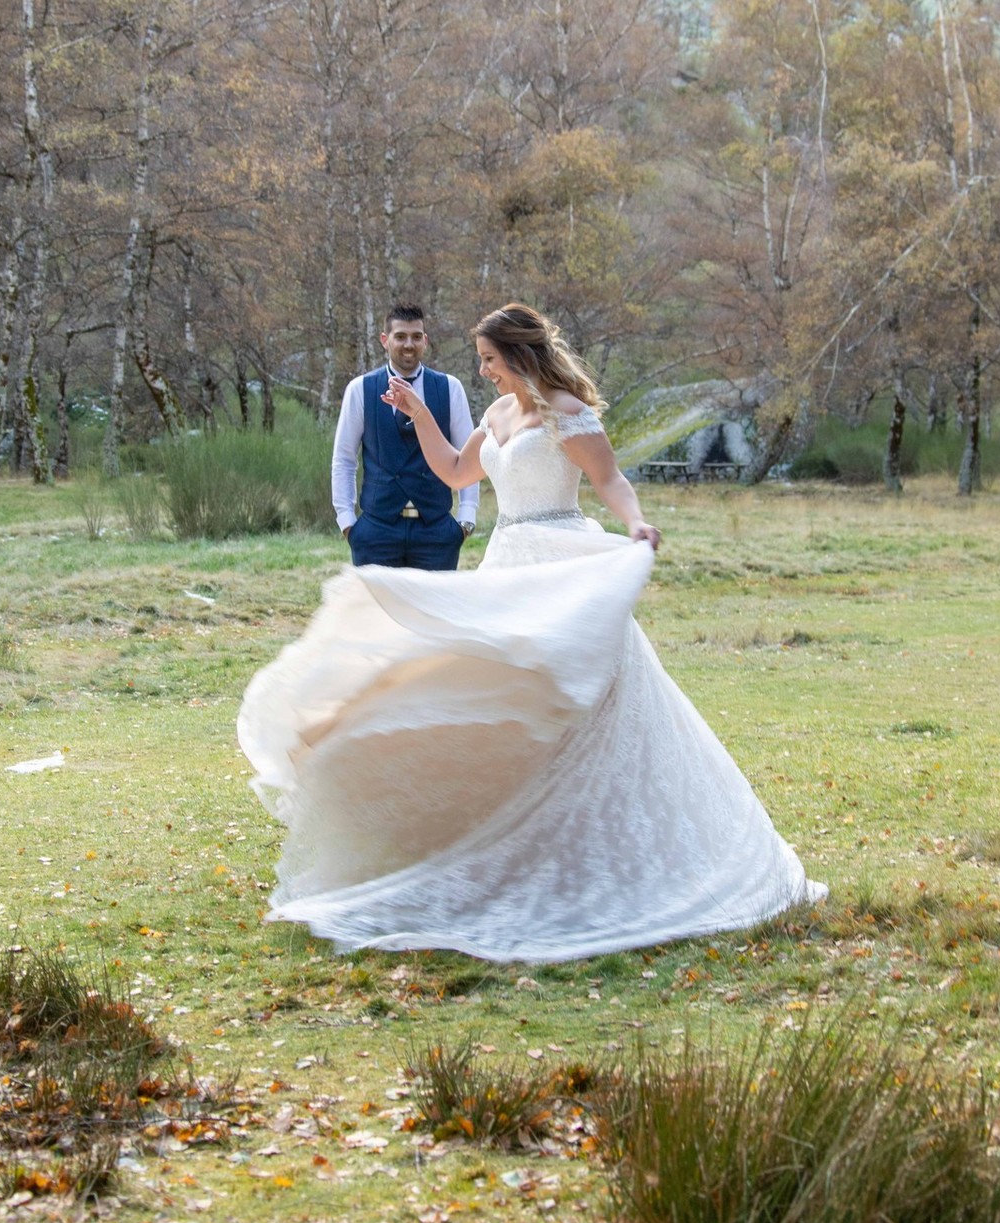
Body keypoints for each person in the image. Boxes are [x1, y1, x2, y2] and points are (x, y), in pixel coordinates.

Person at [239, 303, 825, 962]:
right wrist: (421, 415)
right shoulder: (494, 416)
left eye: (489, 359)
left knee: (574, 703)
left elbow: (609, 478)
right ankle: (502, 844)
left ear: (517, 355)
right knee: (490, 697)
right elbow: (457, 474)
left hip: (560, 558)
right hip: (507, 561)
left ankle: (594, 849)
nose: (483, 372)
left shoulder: (562, 406)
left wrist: (634, 523)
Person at [331, 304, 478, 570]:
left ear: (425, 340)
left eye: (416, 336)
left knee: (433, 612)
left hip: (436, 531)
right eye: (400, 336)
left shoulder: (450, 388)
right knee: (375, 613)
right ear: (385, 340)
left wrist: (466, 518)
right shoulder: (360, 389)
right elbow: (344, 459)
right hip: (376, 531)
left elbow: (469, 456)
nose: (408, 344)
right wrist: (347, 521)